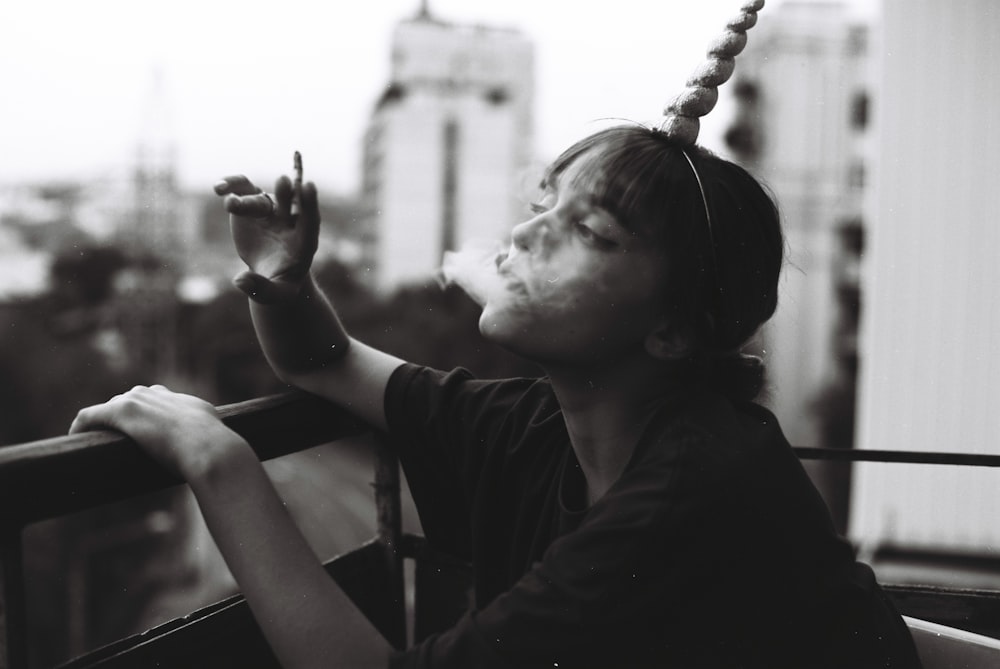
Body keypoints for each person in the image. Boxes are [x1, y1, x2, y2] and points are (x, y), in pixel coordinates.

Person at [71, 124, 921, 668]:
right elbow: (327, 363)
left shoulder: (693, 489)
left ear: (671, 330)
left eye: (587, 231)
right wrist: (286, 288)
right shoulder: (543, 420)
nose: (523, 233)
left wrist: (221, 461)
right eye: (542, 203)